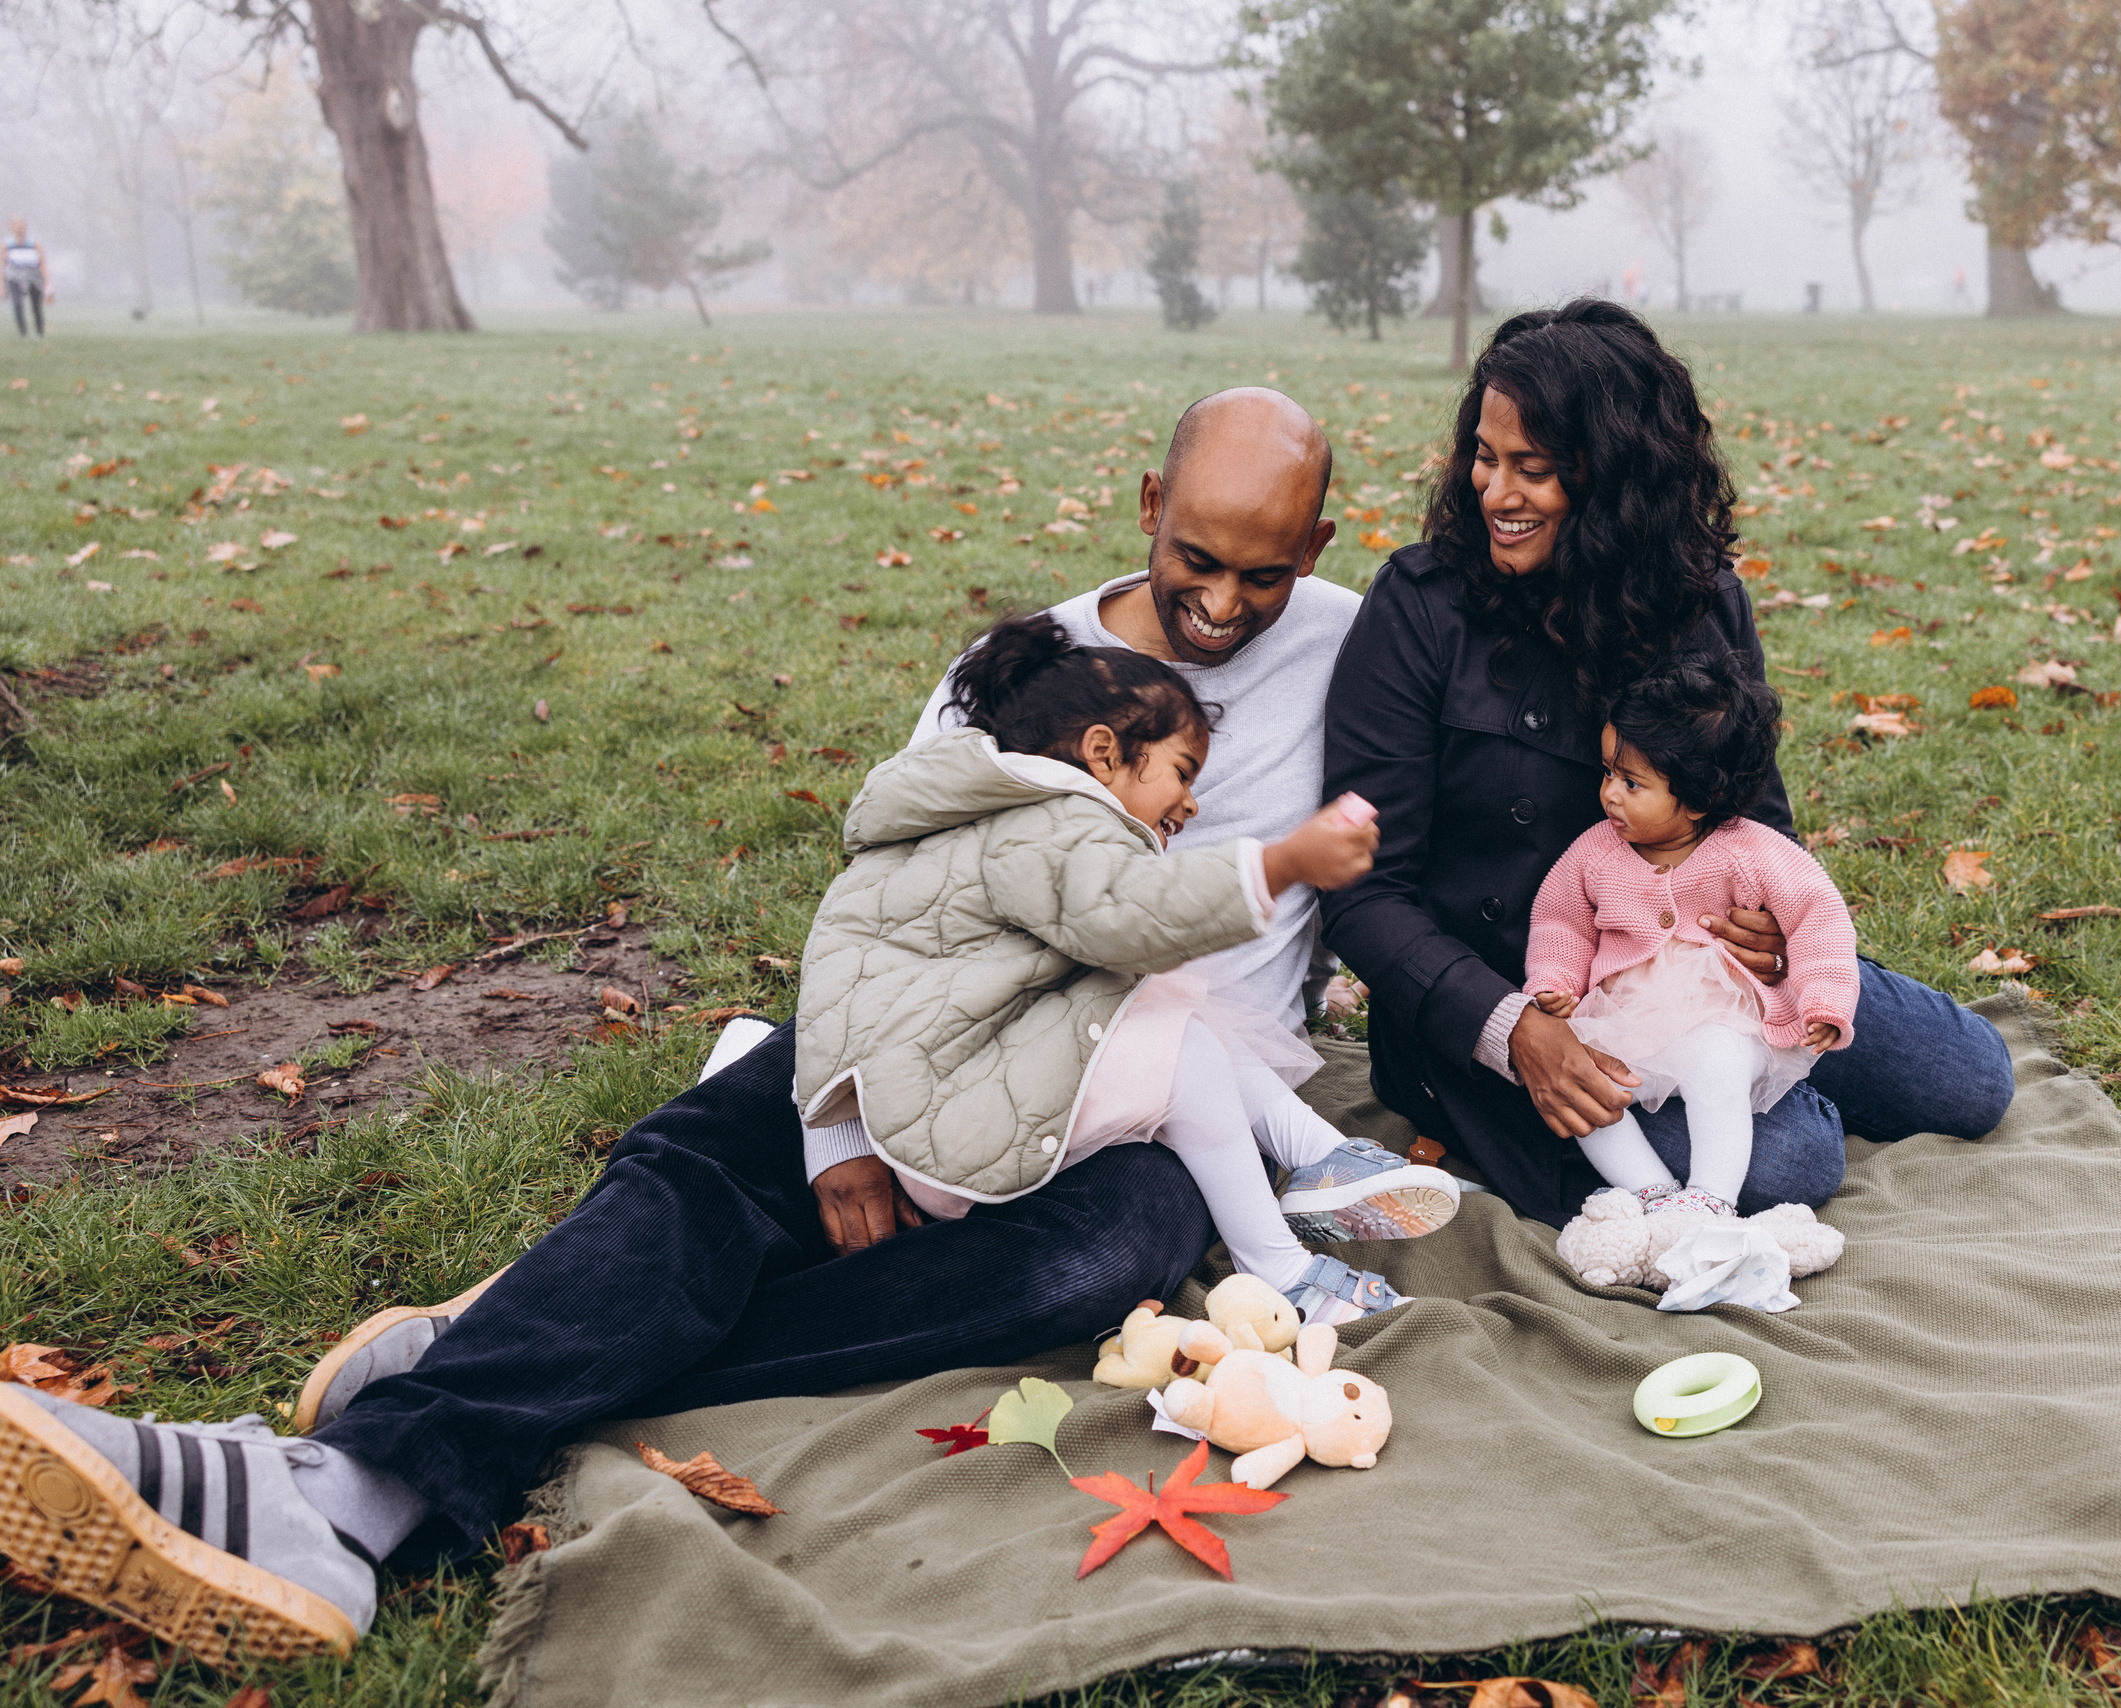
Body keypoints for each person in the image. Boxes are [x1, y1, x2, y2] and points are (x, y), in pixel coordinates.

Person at [0, 387, 1385, 1662]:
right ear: (1147, 503)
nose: (1220, 600)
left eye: (1264, 571)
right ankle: (348, 1492)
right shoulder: (1016, 676)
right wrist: (836, 1126)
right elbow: (883, 916)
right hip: (954, 1028)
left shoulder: (1352, 641)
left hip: (1168, 1096)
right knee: (724, 1153)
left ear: (1317, 542)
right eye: (1195, 556)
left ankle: (474, 1370)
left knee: (1083, 1266)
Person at [1319, 298, 2015, 1231]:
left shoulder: (1697, 600)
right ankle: (1740, 1113)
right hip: (1525, 999)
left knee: (1974, 1078)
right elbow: (1362, 891)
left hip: (1704, 969)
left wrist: (1766, 928)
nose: (1495, 493)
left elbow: (1755, 813)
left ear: (1616, 482)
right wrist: (1512, 1030)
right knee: (1789, 1164)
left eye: (1535, 469)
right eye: (1484, 458)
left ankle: (1765, 1078)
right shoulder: (1420, 607)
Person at [796, 611, 1451, 1322]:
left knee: (1172, 998)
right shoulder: (1047, 826)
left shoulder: (991, 819)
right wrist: (1279, 864)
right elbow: (1125, 915)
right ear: (1104, 752)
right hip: (955, 1126)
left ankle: (1322, 1156)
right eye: (1182, 771)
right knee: (1182, 1049)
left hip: (961, 1085)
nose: (1193, 804)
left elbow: (845, 974)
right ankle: (1282, 1271)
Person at [1522, 655, 1858, 1219]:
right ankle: (1649, 1191)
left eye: (1633, 783)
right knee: (1589, 1088)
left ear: (1699, 800)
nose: (1610, 794)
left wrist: (1824, 999)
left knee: (1716, 1067)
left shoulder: (1751, 851)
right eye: (1608, 773)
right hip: (1626, 1020)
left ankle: (1711, 1197)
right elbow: (1561, 922)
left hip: (1726, 1018)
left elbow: (1818, 919)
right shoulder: (1594, 853)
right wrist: (1552, 982)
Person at [4, 220, 47, 340]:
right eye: (17, 226)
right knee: (18, 305)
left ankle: (39, 332)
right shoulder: (7, 244)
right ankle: (23, 333)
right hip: (14, 278)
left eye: (22, 226)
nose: (20, 229)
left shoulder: (34, 243)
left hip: (33, 278)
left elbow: (42, 263)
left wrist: (48, 283)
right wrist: (2, 286)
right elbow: (2, 265)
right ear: (12, 228)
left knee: (36, 306)